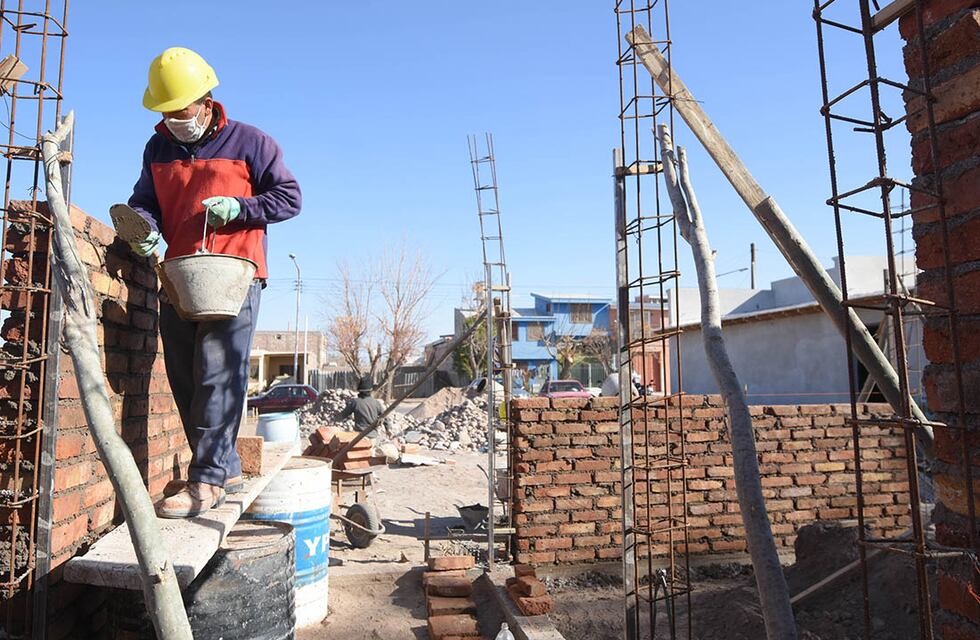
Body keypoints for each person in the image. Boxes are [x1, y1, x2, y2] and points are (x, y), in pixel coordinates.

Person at [127, 47, 301, 518]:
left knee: (216, 373)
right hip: (181, 274)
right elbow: (145, 201)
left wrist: (241, 208)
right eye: (165, 112)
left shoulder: (250, 142)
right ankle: (224, 468)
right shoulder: (158, 148)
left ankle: (206, 483)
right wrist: (142, 228)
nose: (172, 120)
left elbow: (289, 198)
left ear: (205, 100)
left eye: (179, 111)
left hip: (234, 274)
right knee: (184, 376)